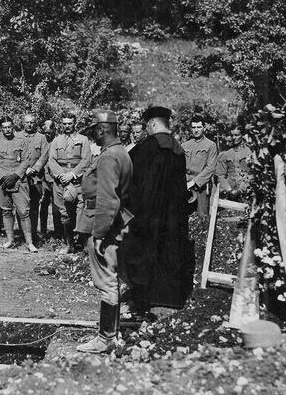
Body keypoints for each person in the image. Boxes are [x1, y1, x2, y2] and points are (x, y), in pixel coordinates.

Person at [123, 106, 194, 316]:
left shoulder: (146, 146)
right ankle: (169, 300)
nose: (147, 129)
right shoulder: (178, 149)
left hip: (149, 214)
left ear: (153, 124)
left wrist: (131, 209)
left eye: (147, 125)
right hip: (173, 217)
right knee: (169, 253)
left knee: (142, 253)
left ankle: (142, 301)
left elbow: (133, 179)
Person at [75, 110, 133, 353]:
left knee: (107, 281)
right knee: (112, 281)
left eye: (94, 130)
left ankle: (106, 338)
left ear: (101, 130)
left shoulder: (109, 157)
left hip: (103, 225)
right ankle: (111, 335)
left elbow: (108, 200)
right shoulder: (121, 153)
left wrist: (98, 235)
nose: (93, 135)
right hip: (112, 223)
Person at [0, 116, 38, 253]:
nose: (7, 129)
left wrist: (16, 175)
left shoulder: (21, 141)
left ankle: (29, 242)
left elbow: (26, 160)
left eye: (9, 127)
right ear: (1, 128)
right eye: (4, 127)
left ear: (13, 126)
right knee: (6, 210)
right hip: (2, 182)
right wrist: (3, 178)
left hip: (19, 181)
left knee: (24, 211)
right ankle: (10, 240)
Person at [48, 112, 91, 254]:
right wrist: (61, 175)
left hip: (78, 181)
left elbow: (86, 161)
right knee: (64, 213)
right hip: (61, 182)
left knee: (80, 212)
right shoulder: (56, 140)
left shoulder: (83, 140)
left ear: (75, 123)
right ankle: (68, 243)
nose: (67, 126)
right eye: (64, 123)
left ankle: (82, 243)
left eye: (69, 123)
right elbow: (52, 161)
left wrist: (72, 174)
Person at [182, 115, 219, 217]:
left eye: (199, 127)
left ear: (204, 128)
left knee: (202, 215)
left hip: (200, 185)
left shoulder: (210, 145)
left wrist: (194, 182)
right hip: (185, 183)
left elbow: (211, 168)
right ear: (190, 129)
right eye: (194, 128)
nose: (196, 130)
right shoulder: (185, 145)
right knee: (183, 214)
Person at [22, 114, 50, 245]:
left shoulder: (41, 137)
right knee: (22, 206)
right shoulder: (17, 136)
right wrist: (22, 170)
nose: (29, 125)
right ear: (23, 123)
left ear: (35, 123)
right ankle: (23, 234)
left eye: (31, 122)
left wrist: (35, 168)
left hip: (36, 177)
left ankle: (33, 233)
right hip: (21, 177)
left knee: (34, 205)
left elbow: (44, 155)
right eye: (27, 122)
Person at [215, 124, 251, 200]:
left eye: (237, 135)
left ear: (242, 135)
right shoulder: (226, 154)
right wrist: (228, 189)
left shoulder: (249, 152)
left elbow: (252, 174)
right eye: (232, 135)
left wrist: (240, 190)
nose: (234, 138)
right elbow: (220, 175)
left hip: (246, 192)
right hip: (229, 194)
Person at [40, 119, 59, 239]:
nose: (48, 134)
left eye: (50, 132)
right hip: (43, 178)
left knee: (56, 206)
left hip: (56, 179)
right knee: (44, 204)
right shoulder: (42, 141)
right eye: (45, 132)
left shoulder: (58, 141)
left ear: (54, 130)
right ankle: (43, 230)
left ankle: (58, 231)